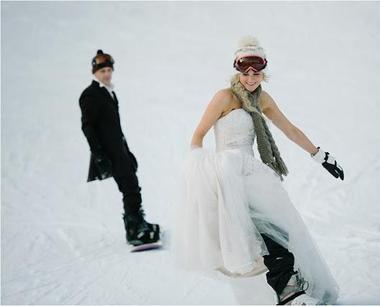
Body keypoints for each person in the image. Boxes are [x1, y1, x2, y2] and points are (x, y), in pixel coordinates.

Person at [175, 37, 344, 305]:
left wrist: (319, 155)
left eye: (256, 72)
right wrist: (201, 168)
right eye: (246, 72)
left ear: (263, 72)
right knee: (256, 237)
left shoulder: (263, 98)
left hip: (253, 174)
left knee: (279, 231)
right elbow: (198, 136)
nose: (251, 78)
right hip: (227, 174)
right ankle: (288, 292)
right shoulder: (224, 97)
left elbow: (289, 130)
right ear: (237, 71)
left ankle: (287, 290)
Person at [79, 50, 160, 247]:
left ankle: (137, 222)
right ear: (94, 72)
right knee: (129, 187)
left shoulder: (109, 93)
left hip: (119, 149)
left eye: (108, 70)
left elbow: (116, 129)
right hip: (108, 152)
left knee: (131, 184)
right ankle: (133, 231)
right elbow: (88, 127)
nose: (106, 74)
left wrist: (127, 151)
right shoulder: (90, 95)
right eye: (102, 71)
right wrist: (99, 155)